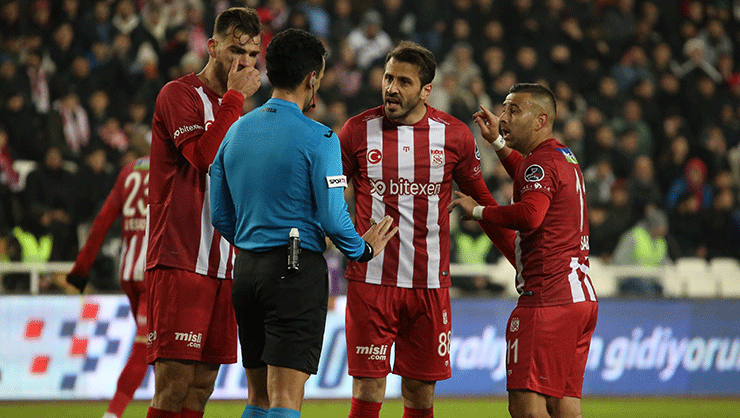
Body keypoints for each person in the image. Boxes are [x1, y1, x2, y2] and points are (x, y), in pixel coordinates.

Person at [209, 28, 398, 418]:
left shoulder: (235, 130)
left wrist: (252, 240)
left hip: (245, 271)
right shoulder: (320, 136)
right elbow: (332, 215)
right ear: (312, 78)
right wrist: (361, 249)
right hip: (294, 272)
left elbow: (220, 215)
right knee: (285, 399)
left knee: (257, 397)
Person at [339, 41, 516, 418]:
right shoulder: (356, 131)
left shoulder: (453, 136)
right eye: (389, 78)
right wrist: (346, 241)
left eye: (404, 81)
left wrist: (519, 258)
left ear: (426, 90)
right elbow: (329, 196)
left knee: (420, 393)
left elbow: (484, 200)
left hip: (429, 285)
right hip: (372, 282)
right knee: (368, 388)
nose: (391, 88)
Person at [449, 83, 598, 418]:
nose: (504, 117)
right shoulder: (562, 156)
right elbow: (530, 177)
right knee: (564, 405)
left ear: (540, 120)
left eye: (514, 110)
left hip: (547, 299)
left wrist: (478, 211)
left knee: (526, 407)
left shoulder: (540, 164)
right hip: (579, 297)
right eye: (504, 108)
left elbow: (531, 215)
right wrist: (498, 144)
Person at [144, 7, 262, 418]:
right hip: (180, 259)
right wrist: (235, 98)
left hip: (224, 265)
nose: (242, 62)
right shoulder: (178, 95)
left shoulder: (236, 110)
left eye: (251, 54)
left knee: (201, 389)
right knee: (173, 387)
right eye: (234, 50)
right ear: (211, 47)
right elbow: (202, 156)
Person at [66, 153, 150, 418]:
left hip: (128, 272)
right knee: (148, 346)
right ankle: (112, 414)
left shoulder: (129, 171)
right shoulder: (172, 169)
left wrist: (80, 271)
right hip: (156, 274)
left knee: (155, 345)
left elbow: (101, 221)